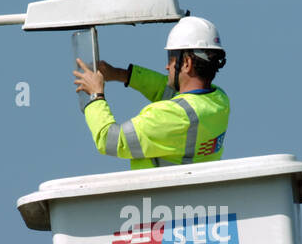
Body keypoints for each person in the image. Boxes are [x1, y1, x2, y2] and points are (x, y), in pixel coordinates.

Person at [71, 16, 228, 169]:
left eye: (171, 59)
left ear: (186, 63)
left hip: (154, 196)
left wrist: (95, 95)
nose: (167, 67)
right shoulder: (219, 101)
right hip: (186, 193)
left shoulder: (171, 116)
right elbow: (171, 92)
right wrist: (121, 74)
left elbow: (110, 140)